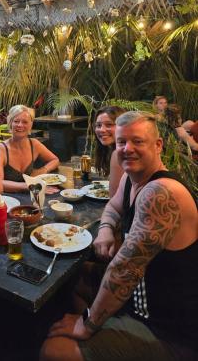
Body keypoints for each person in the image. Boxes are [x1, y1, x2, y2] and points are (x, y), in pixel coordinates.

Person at [40, 111, 197, 361]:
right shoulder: (132, 178)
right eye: (122, 142)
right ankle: (105, 333)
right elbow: (113, 206)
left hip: (166, 327)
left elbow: (125, 270)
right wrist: (104, 231)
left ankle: (101, 336)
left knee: (54, 350)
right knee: (72, 279)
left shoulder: (161, 192)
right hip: (136, 297)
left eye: (137, 141)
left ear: (158, 145)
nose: (127, 148)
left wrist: (87, 324)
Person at [0, 105, 59, 193]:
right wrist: (28, 185)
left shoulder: (34, 144)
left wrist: (42, 170)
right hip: (8, 199)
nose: (20, 125)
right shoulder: (0, 149)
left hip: (31, 195)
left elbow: (55, 160)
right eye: (16, 121)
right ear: (10, 123)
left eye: (25, 122)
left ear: (30, 125)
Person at [93, 106, 124, 197]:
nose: (102, 130)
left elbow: (115, 198)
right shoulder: (109, 150)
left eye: (109, 125)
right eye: (98, 125)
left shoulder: (121, 153)